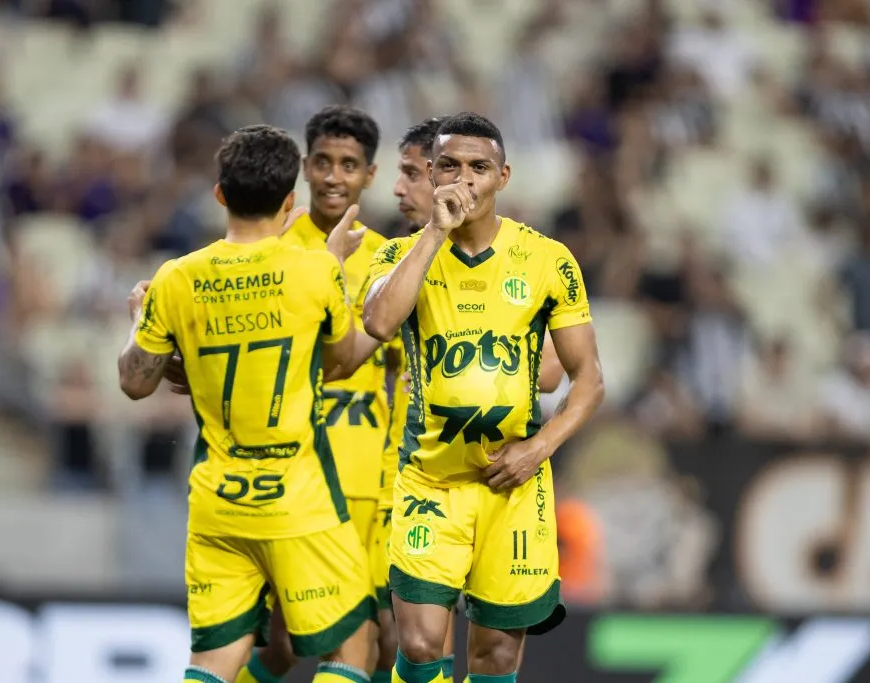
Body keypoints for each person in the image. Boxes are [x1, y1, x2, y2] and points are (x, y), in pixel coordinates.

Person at [117, 125, 377, 683]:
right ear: (291, 201)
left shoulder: (176, 278)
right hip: (297, 497)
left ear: (219, 194)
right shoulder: (314, 271)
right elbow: (345, 359)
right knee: (352, 649)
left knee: (213, 663)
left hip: (218, 500)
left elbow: (136, 382)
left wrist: (140, 319)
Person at [362, 113, 605, 683]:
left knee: (494, 656)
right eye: (449, 166)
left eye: (479, 167)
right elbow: (377, 322)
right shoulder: (401, 255)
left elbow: (588, 380)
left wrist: (539, 448)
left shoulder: (547, 259)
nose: (464, 179)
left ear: (503, 176)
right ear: (432, 172)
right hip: (430, 481)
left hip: (513, 488)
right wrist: (433, 234)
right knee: (420, 646)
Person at [237, 105, 390, 683]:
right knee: (284, 644)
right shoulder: (272, 248)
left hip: (363, 474)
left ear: (369, 175)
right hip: (291, 468)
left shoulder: (389, 258)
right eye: (323, 162)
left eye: (348, 165)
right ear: (304, 167)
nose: (333, 177)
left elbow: (407, 366)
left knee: (369, 635)